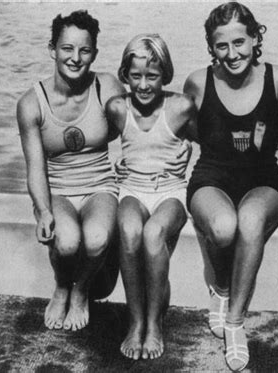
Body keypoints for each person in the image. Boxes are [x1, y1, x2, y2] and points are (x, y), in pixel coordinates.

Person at [183, 2, 278, 371]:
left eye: (240, 42)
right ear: (211, 47)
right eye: (221, 46)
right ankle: (222, 288)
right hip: (211, 176)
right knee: (224, 226)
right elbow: (196, 136)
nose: (232, 54)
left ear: (255, 37)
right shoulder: (198, 83)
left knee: (248, 221)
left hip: (262, 180)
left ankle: (234, 323)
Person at [16, 10, 125, 331]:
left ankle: (79, 292)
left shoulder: (107, 86)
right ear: (52, 49)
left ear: (94, 53)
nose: (76, 58)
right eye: (67, 49)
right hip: (58, 189)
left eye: (85, 50)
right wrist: (43, 211)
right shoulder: (30, 104)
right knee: (66, 242)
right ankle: (62, 286)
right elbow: (36, 168)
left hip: (100, 186)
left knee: (96, 237)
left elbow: (134, 132)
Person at [106, 34, 195, 360]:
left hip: (170, 191)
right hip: (132, 188)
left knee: (154, 233)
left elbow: (211, 143)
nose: (143, 85)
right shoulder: (117, 108)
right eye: (136, 76)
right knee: (129, 230)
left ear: (165, 75)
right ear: (125, 75)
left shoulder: (181, 107)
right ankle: (136, 320)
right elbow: (98, 141)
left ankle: (155, 323)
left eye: (152, 76)